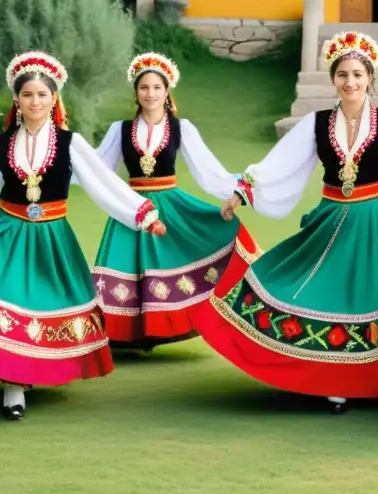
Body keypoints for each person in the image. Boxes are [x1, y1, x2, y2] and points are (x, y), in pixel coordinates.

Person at [0, 52, 168, 420]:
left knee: (37, 307)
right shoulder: (0, 143)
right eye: (27, 95)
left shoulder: (70, 143)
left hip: (51, 237)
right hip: (5, 232)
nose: (35, 102)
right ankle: (12, 388)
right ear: (17, 100)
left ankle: (21, 380)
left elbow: (102, 182)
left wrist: (142, 214)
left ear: (54, 99)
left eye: (42, 95)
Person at [190, 31, 378, 412]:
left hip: (374, 221)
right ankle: (335, 380)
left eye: (357, 74)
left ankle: (364, 376)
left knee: (368, 296)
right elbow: (281, 162)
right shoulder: (317, 122)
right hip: (331, 217)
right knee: (329, 292)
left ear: (369, 76)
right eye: (342, 75)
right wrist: (243, 191)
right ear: (333, 79)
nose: (350, 82)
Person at [90, 52, 261, 350]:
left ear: (167, 91)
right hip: (130, 207)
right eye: (144, 87)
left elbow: (207, 169)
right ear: (136, 92)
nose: (150, 93)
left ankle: (164, 327)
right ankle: (127, 333)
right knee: (127, 267)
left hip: (171, 207)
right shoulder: (120, 129)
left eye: (157, 87)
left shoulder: (182, 128)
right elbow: (96, 168)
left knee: (171, 262)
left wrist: (233, 192)